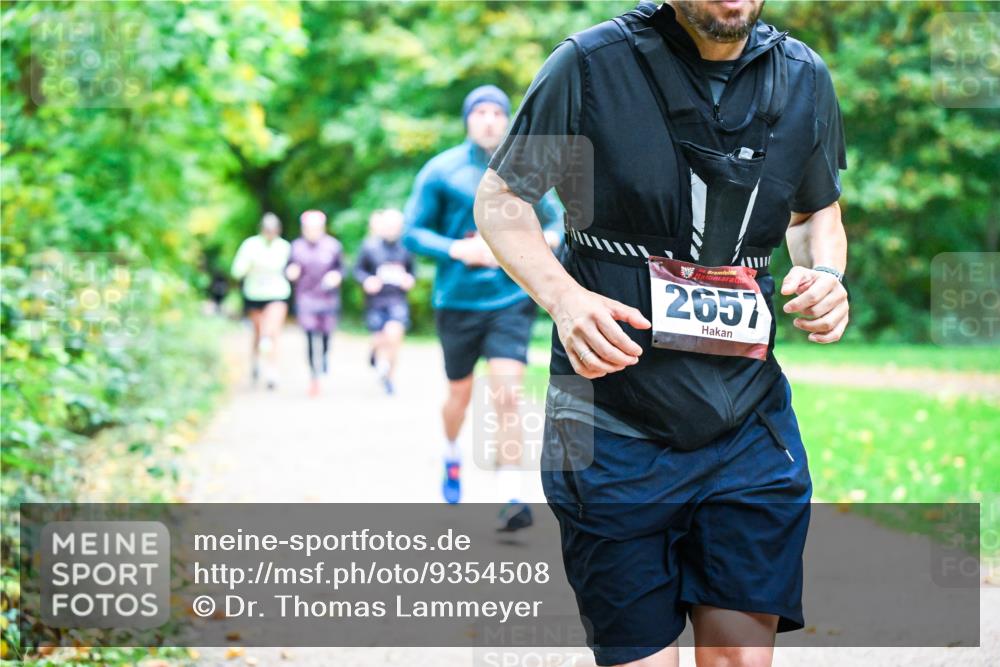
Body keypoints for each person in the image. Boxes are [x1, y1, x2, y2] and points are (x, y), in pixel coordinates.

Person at [475, 1, 848, 665]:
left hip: (746, 422)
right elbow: (503, 198)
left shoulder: (803, 76)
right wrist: (562, 297)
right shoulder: (587, 65)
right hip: (611, 423)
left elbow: (814, 207)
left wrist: (826, 272)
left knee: (739, 655)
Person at [403, 84, 564, 524]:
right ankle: (452, 453)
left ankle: (511, 495)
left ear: (507, 118)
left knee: (508, 395)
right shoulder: (441, 171)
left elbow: (556, 224)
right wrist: (458, 250)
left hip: (508, 299)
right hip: (456, 299)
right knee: (459, 393)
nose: (489, 119)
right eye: (481, 112)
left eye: (497, 112)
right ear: (468, 119)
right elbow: (412, 233)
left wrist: (541, 241)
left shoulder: (522, 169)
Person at [354, 208, 415, 396]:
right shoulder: (369, 246)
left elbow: (413, 271)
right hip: (375, 301)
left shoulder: (406, 247)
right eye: (389, 226)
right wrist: (367, 281)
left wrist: (409, 279)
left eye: (396, 226)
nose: (392, 230)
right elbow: (357, 270)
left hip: (397, 299)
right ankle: (375, 354)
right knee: (379, 338)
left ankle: (390, 377)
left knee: (394, 336)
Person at [231, 212, 292, 390]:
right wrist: (251, 265)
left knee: (271, 332)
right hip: (255, 295)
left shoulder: (284, 247)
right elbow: (237, 271)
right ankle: (256, 361)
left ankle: (272, 370)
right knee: (259, 333)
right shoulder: (250, 245)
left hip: (277, 294)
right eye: (267, 230)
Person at [286, 209, 344, 397]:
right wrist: (290, 272)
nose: (312, 231)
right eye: (308, 228)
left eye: (316, 228)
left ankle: (325, 356)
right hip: (306, 298)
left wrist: (336, 276)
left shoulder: (333, 246)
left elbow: (343, 269)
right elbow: (287, 269)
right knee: (310, 334)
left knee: (326, 333)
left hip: (327, 298)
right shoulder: (295, 247)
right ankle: (314, 373)